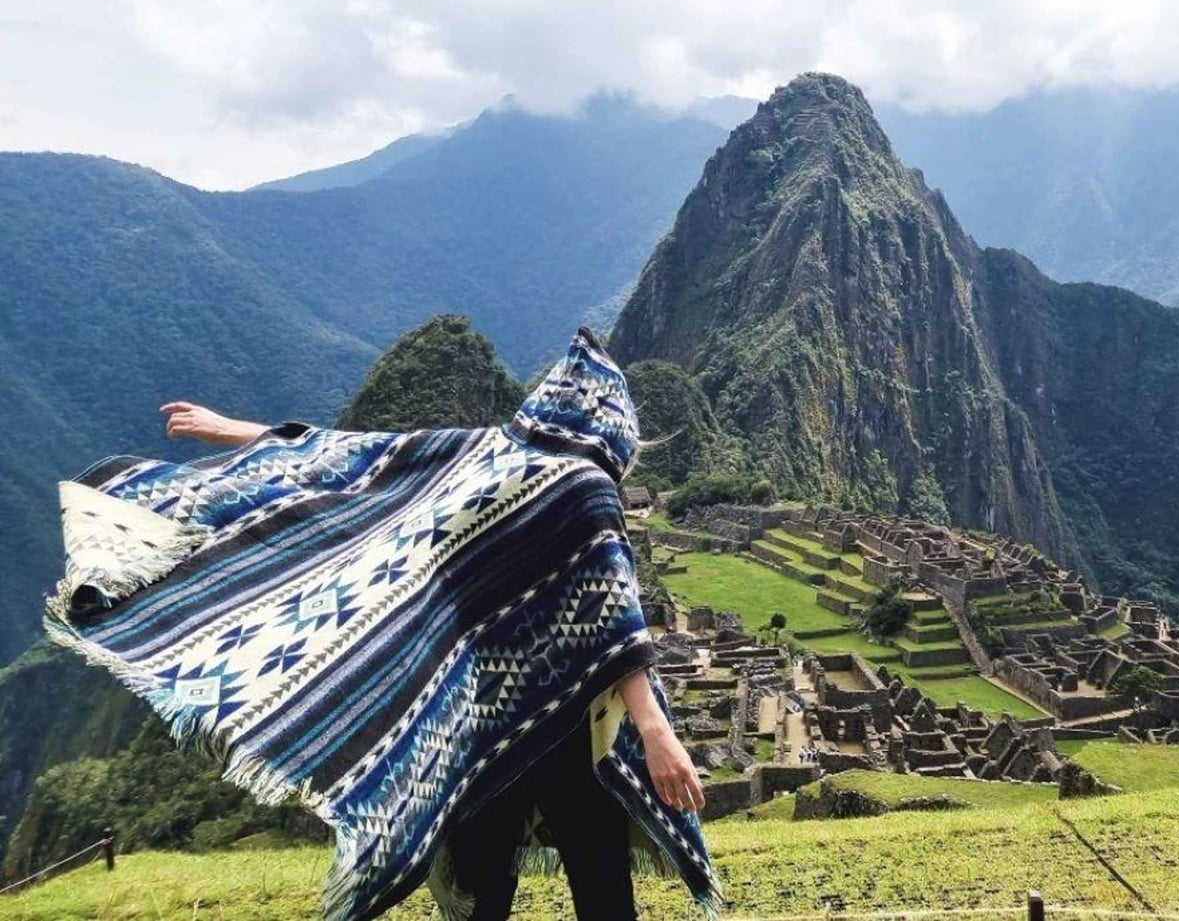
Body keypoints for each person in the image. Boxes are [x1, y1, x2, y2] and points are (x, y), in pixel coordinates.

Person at [48, 327, 722, 921]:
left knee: (484, 884)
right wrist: (656, 732)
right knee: (600, 880)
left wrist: (234, 431)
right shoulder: (587, 486)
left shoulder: (481, 450)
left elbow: (350, 459)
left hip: (479, 718)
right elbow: (616, 617)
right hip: (568, 726)